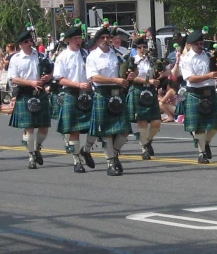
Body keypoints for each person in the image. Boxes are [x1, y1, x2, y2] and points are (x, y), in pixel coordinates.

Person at [86, 27, 133, 176]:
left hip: (117, 95)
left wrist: (131, 75)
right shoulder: (92, 56)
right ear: (97, 40)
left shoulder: (117, 54)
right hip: (102, 94)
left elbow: (131, 69)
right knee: (106, 132)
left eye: (108, 37)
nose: (106, 40)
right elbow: (93, 77)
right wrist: (115, 80)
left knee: (125, 131)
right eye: (102, 38)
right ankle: (111, 163)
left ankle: (114, 153)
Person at [180, 29, 217, 164]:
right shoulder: (186, 59)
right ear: (190, 44)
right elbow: (190, 78)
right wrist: (209, 76)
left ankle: (205, 142)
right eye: (198, 44)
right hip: (195, 93)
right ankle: (201, 153)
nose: (201, 46)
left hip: (211, 92)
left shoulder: (208, 55)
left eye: (202, 43)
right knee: (199, 127)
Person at [53, 27, 95, 173]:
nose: (79, 41)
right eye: (75, 38)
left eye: (80, 38)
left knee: (95, 126)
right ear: (68, 40)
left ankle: (86, 150)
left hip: (87, 93)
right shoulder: (62, 57)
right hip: (71, 93)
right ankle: (76, 160)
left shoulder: (86, 54)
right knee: (74, 130)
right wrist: (77, 84)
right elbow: (60, 79)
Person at [8, 30, 52, 169]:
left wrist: (48, 77)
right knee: (29, 128)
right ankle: (31, 155)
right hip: (25, 93)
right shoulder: (16, 58)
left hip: (40, 94)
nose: (29, 44)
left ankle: (37, 146)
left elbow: (52, 70)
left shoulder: (40, 55)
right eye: (26, 42)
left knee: (44, 127)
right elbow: (13, 78)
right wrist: (31, 83)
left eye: (30, 41)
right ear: (20, 44)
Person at [126, 37, 165, 160]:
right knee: (142, 123)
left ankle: (147, 141)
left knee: (156, 123)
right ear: (136, 49)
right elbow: (132, 78)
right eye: (139, 47)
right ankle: (144, 149)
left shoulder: (152, 60)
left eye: (144, 47)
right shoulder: (133, 60)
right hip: (139, 90)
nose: (142, 49)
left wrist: (163, 74)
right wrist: (149, 80)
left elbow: (165, 72)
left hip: (150, 91)